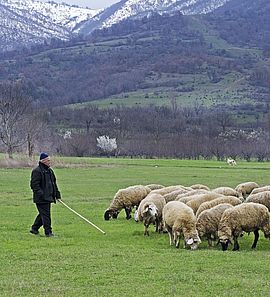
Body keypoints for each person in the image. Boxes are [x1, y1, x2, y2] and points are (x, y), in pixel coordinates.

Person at [30, 152, 61, 237]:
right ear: (43, 161)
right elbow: (34, 185)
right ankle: (48, 232)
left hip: (48, 197)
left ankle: (34, 229)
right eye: (48, 161)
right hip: (41, 198)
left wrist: (57, 194)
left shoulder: (50, 171)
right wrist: (41, 194)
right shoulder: (37, 171)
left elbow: (53, 183)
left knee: (43, 214)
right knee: (46, 215)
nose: (49, 162)